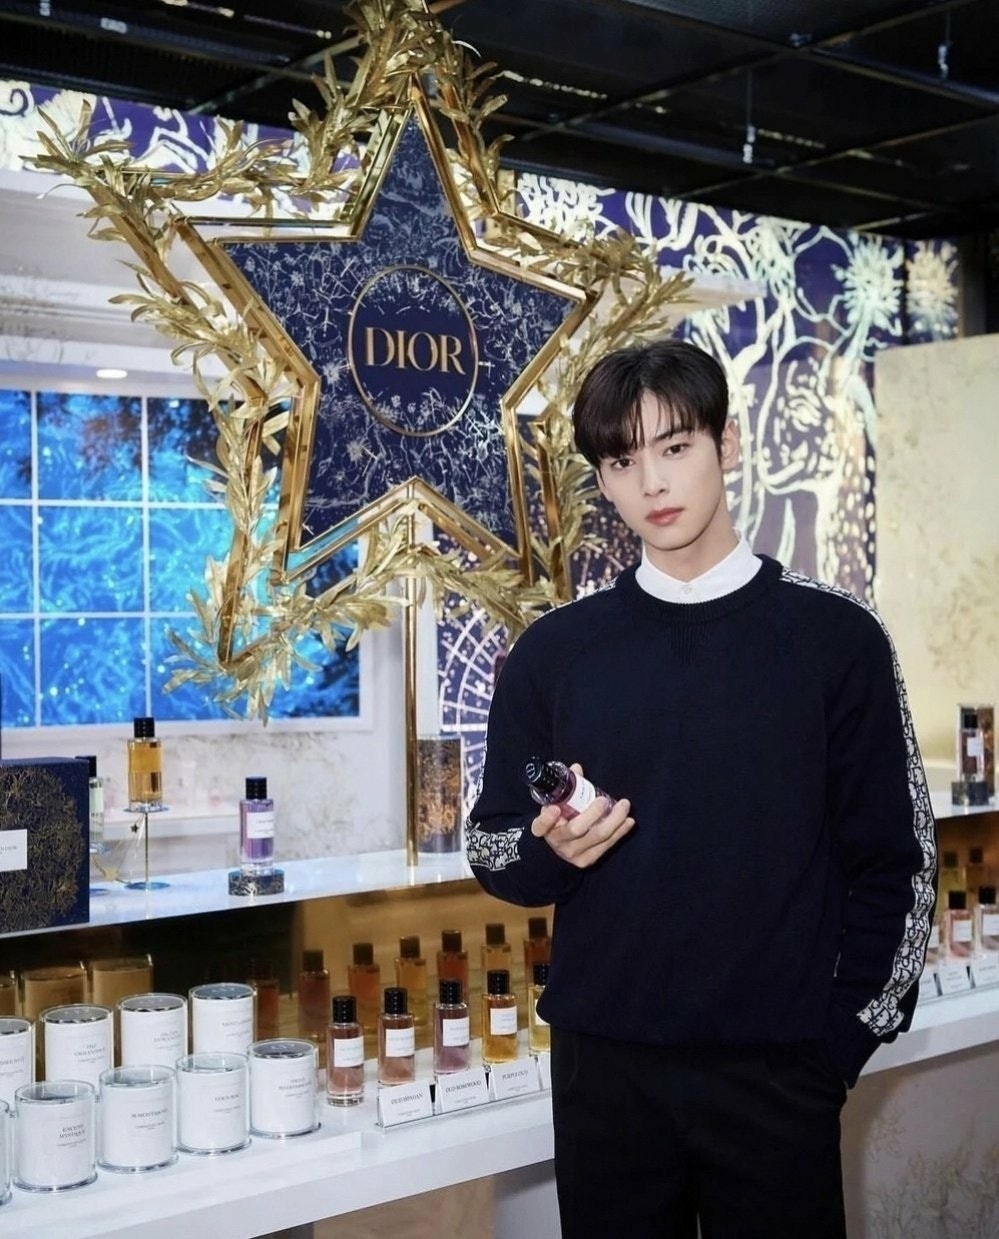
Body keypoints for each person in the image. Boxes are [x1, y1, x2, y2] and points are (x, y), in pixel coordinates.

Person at [465, 338, 937, 1239]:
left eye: (675, 446)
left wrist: (839, 1045)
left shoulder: (835, 639)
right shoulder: (554, 652)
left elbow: (898, 863)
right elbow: (491, 847)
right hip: (604, 1079)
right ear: (602, 482)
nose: (651, 482)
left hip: (780, 1075)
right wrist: (548, 849)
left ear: (727, 443)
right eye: (621, 461)